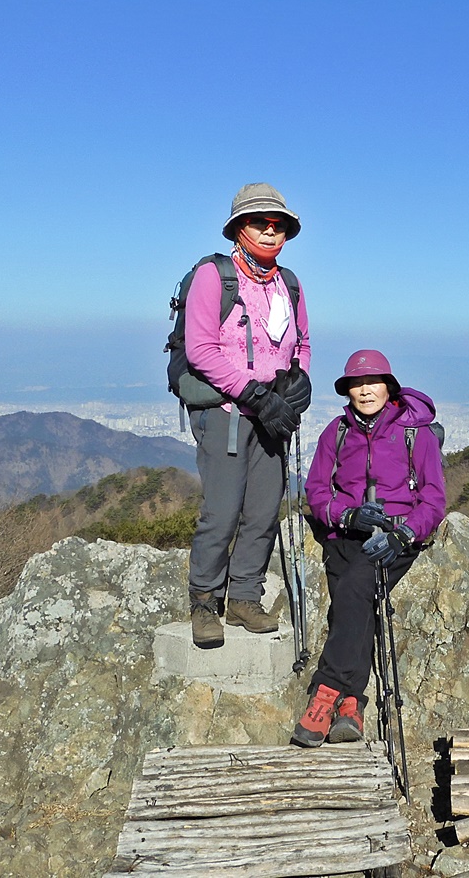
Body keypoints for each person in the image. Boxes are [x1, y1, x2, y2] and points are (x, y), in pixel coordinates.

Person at [294, 350, 446, 747]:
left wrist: (403, 534)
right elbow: (316, 490)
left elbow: (434, 500)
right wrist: (347, 516)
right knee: (352, 605)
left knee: (355, 587)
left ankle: (326, 692)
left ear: (388, 387)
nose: (365, 391)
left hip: (393, 538)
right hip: (345, 535)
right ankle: (352, 706)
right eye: (357, 384)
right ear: (347, 391)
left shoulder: (416, 432)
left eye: (372, 382)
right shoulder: (337, 431)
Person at [185, 183, 312, 649]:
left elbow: (302, 343)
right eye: (261, 222)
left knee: (262, 511)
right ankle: (204, 601)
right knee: (221, 511)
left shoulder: (288, 284)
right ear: (240, 228)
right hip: (227, 412)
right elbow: (201, 350)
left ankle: (243, 598)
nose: (271, 231)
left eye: (279, 225)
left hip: (272, 414)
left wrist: (299, 382)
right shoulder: (214, 277)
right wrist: (254, 394)